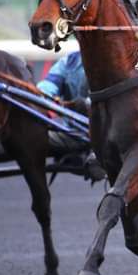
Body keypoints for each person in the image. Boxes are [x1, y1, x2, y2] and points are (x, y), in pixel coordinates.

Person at [37, 51, 105, 182]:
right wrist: (40, 95)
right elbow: (48, 86)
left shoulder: (115, 60)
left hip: (107, 136)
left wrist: (86, 104)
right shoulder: (69, 61)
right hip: (72, 134)